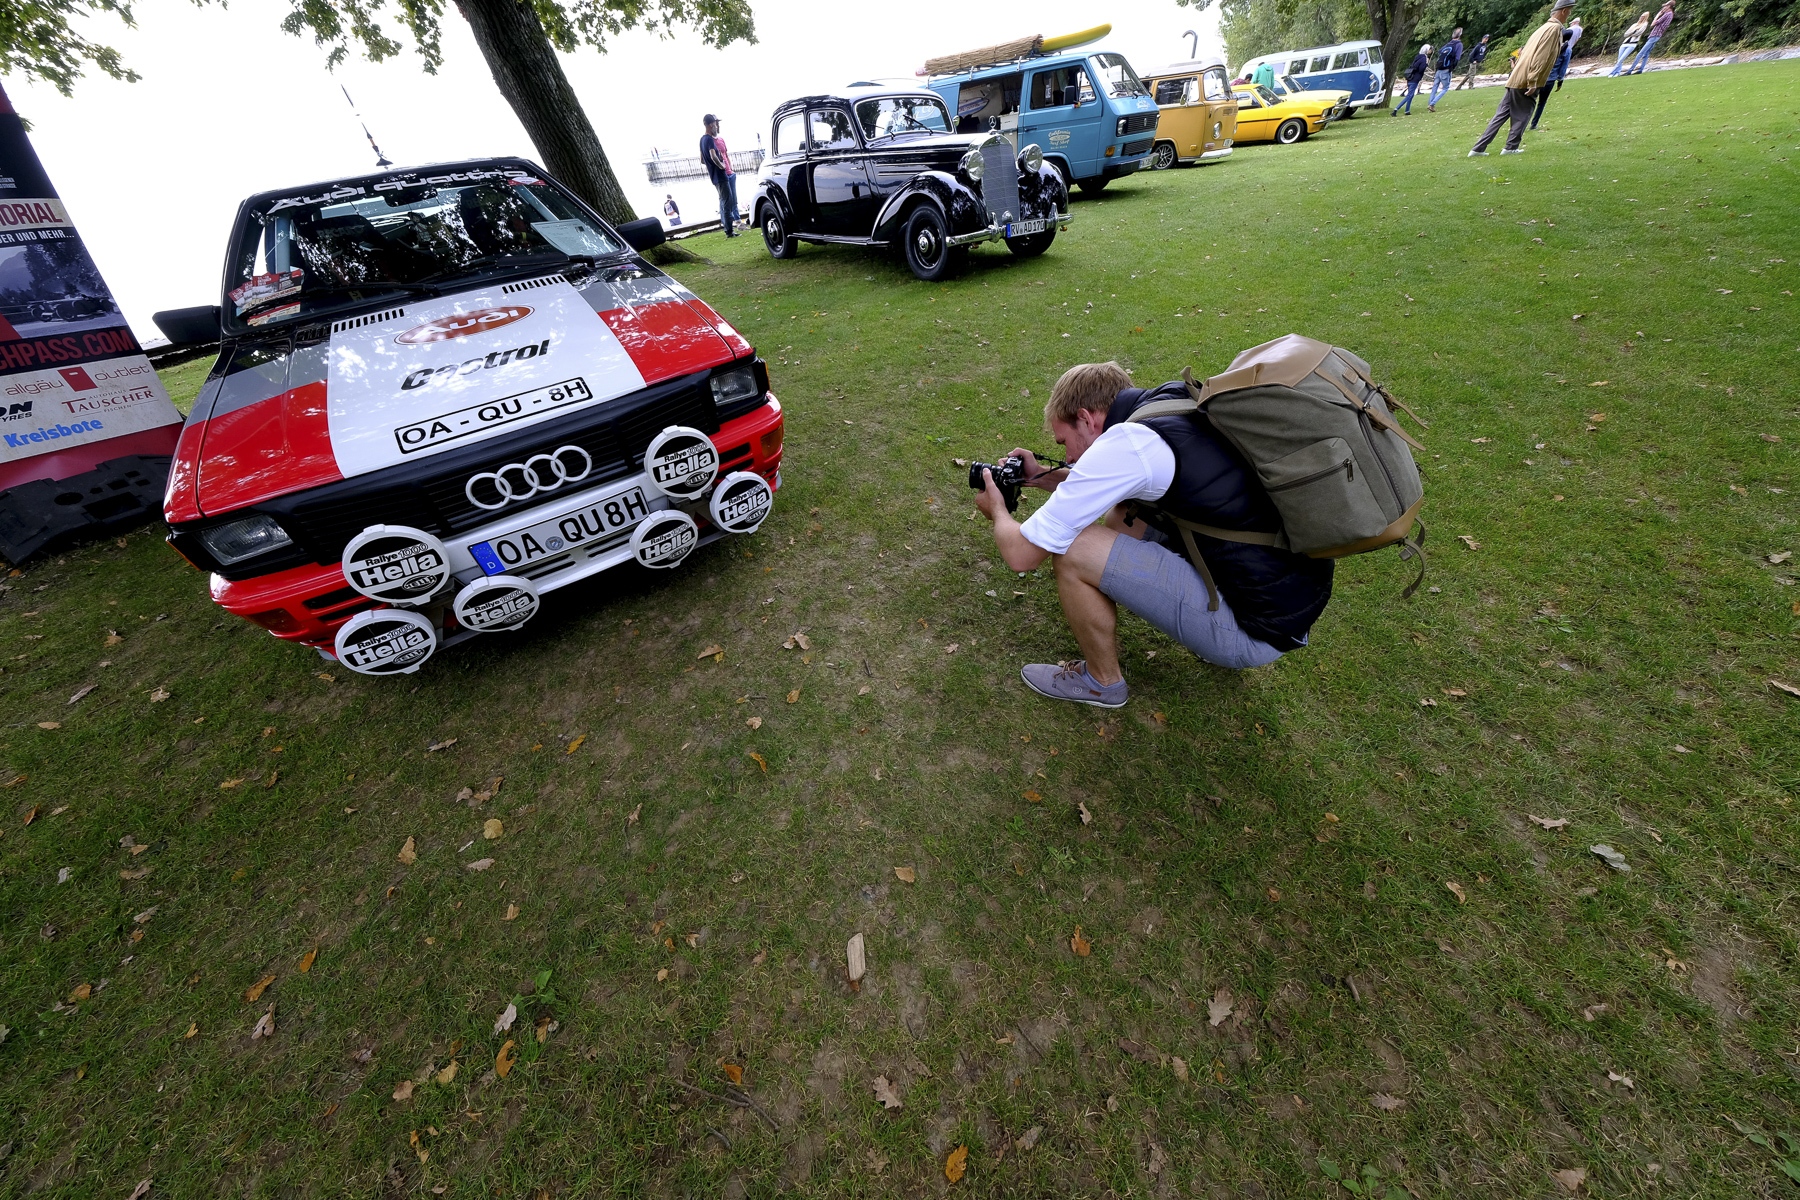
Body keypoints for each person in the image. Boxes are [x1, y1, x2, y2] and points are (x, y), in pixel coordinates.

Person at [972, 362, 1333, 708]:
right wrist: (1042, 476)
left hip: (1253, 631)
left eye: (1064, 441)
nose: (1067, 455)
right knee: (1126, 509)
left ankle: (1102, 683)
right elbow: (1120, 483)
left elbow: (1021, 555)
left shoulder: (1127, 446)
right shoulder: (1170, 405)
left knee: (1074, 547)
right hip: (1289, 599)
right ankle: (1111, 593)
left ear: (1086, 418)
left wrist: (998, 510)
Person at [1469, 0, 1572, 156]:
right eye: (1569, 11)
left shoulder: (1543, 27)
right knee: (1524, 112)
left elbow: (1524, 52)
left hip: (1516, 77)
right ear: (1564, 11)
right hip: (1526, 80)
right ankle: (1511, 147)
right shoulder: (1554, 29)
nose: (1569, 14)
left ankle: (1477, 149)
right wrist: (1533, 81)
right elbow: (1541, 57)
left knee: (1500, 115)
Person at [1529, 21, 1578, 128]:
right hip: (1550, 80)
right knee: (1542, 102)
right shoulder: (1567, 50)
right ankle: (1534, 124)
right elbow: (1563, 68)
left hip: (1539, 77)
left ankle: (1522, 123)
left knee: (1530, 101)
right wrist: (1560, 81)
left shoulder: (1549, 46)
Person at [700, 114, 739, 237]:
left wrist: (712, 165)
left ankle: (727, 229)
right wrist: (721, 166)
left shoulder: (702, 140)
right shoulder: (709, 139)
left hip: (714, 177)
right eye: (715, 124)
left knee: (723, 201)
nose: (716, 126)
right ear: (711, 124)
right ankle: (729, 231)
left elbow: (702, 160)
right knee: (727, 202)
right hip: (720, 176)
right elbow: (713, 156)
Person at [1623, 1, 1675, 73]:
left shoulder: (1667, 14)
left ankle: (1630, 71)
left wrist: (1658, 15)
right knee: (1646, 54)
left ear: (1669, 6)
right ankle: (1640, 70)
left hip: (1655, 35)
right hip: (1656, 35)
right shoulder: (1670, 14)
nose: (1663, 7)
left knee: (1640, 53)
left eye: (1665, 6)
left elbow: (1653, 24)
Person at [1427, 30, 1463, 111]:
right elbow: (1457, 58)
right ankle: (1432, 104)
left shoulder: (1448, 44)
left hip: (1439, 69)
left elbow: (1440, 51)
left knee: (1435, 87)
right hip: (1446, 69)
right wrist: (1452, 67)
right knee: (1445, 88)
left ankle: (1430, 104)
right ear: (1459, 36)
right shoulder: (1459, 44)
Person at [1392, 44, 1432, 115]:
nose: (1430, 51)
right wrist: (1426, 64)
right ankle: (1396, 109)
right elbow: (1421, 69)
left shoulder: (1417, 57)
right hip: (1415, 79)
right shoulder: (1424, 58)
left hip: (1410, 78)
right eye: (1429, 49)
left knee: (1411, 94)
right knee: (1410, 95)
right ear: (1426, 50)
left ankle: (1407, 110)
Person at [1554, 15, 1583, 87]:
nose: (1571, 24)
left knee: (1557, 64)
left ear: (1574, 23)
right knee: (1564, 65)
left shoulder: (1569, 29)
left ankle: (1552, 78)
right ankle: (1560, 78)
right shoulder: (1580, 29)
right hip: (1570, 48)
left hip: (1563, 47)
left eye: (1571, 23)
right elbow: (1577, 40)